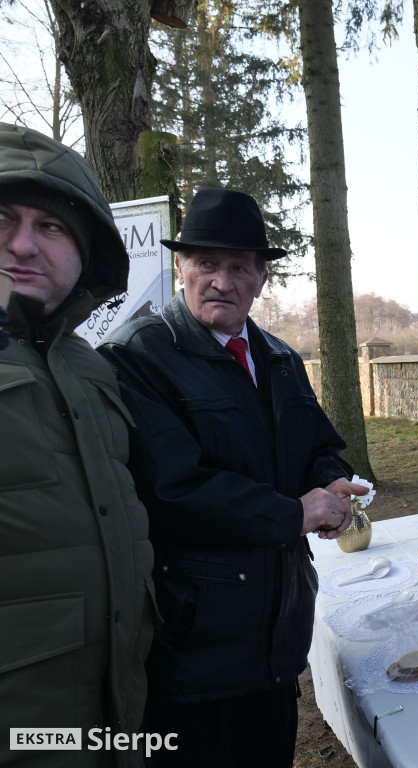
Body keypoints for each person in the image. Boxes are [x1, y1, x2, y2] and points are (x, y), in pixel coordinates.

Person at [99, 187, 366, 767]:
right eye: (206, 264)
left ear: (260, 280)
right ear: (180, 268)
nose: (221, 280)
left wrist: (332, 480)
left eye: (239, 266)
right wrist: (295, 513)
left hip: (276, 630)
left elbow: (319, 445)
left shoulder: (279, 357)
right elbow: (172, 490)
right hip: (194, 644)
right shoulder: (136, 359)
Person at [0, 123, 154, 765]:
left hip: (108, 722)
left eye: (52, 226)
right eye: (2, 218)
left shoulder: (91, 369)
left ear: (84, 252)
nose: (22, 244)